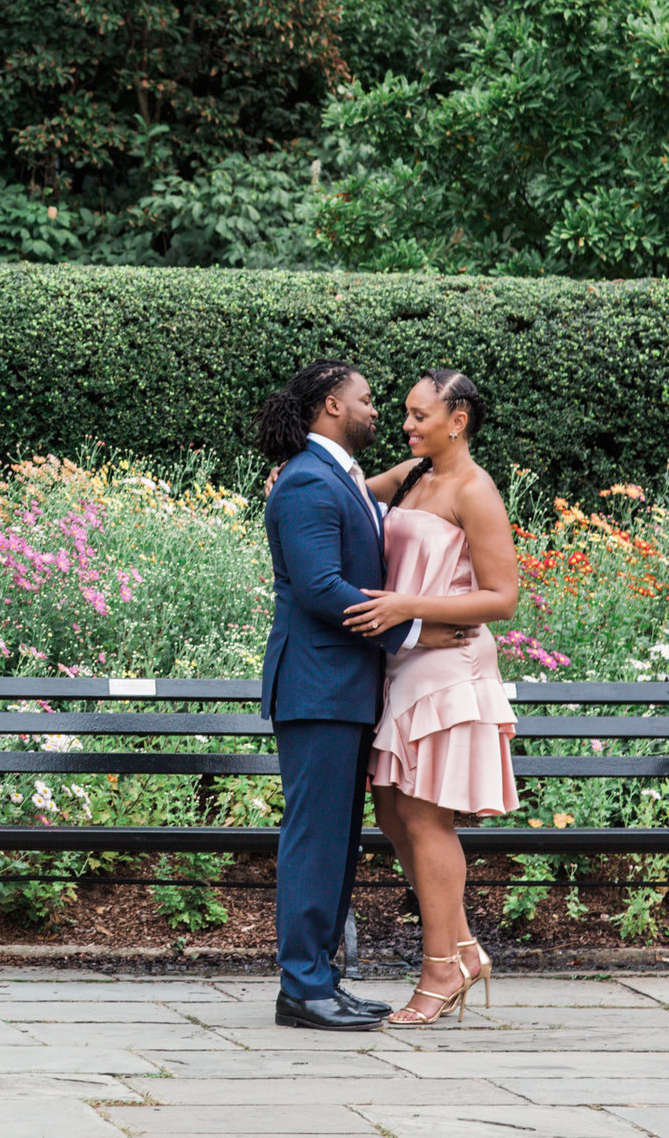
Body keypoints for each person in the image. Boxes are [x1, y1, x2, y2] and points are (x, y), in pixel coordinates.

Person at [256, 361, 481, 1032]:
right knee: (313, 841)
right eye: (367, 399)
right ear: (332, 405)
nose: (378, 410)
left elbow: (396, 500)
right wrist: (417, 627)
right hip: (317, 688)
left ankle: (322, 979)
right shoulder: (305, 483)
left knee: (335, 843)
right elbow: (323, 588)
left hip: (343, 689)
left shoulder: (338, 476)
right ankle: (302, 985)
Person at [341, 369, 520, 1025]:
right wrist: (292, 478)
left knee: (424, 820)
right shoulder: (414, 475)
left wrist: (408, 605)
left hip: (448, 664)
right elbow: (350, 492)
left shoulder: (475, 490)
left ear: (458, 419)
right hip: (405, 661)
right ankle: (465, 949)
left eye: (420, 415)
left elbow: (502, 595)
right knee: (391, 812)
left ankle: (441, 970)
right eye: (407, 414)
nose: (407, 425)